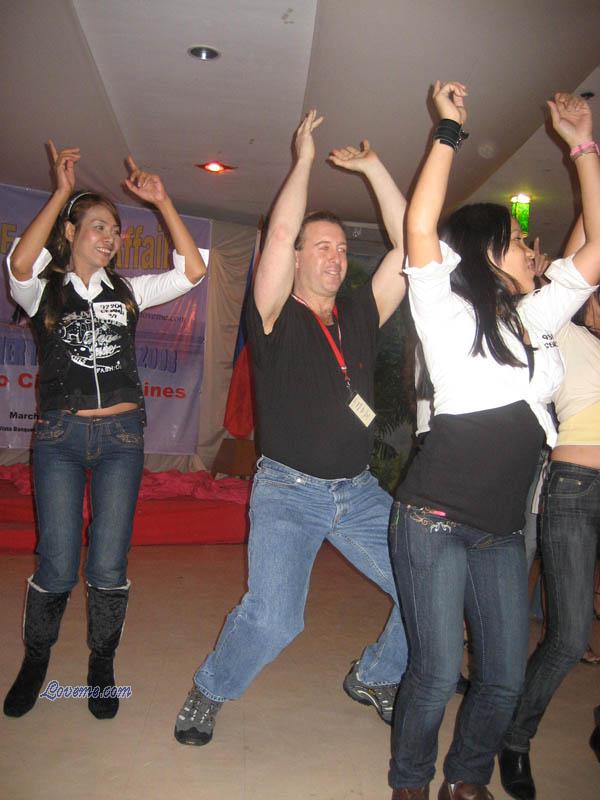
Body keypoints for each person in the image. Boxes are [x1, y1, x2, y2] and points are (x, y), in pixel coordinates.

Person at [388, 84, 600, 800]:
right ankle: (410, 784)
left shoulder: (537, 318)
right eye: (518, 241)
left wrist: (583, 146)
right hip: (434, 518)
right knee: (435, 673)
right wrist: (449, 129)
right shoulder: (445, 310)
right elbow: (421, 224)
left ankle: (466, 782)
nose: (534, 251)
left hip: (504, 529)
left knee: (504, 677)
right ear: (485, 252)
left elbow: (597, 249)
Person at [174, 110, 409, 746]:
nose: (335, 256)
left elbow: (410, 246)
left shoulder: (361, 312)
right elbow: (278, 233)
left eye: (341, 247)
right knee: (276, 618)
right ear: (298, 258)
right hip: (289, 491)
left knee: (431, 587)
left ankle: (376, 675)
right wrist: (303, 160)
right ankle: (211, 688)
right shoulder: (274, 313)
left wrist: (375, 170)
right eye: (321, 246)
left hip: (358, 490)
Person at [3, 142, 206, 720]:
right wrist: (62, 192)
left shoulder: (130, 292)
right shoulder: (42, 289)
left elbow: (193, 271)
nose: (110, 237)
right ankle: (36, 661)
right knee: (57, 562)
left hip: (121, 441)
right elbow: (20, 264)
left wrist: (163, 202)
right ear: (71, 233)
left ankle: (101, 665)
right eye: (98, 226)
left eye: (115, 229)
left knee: (109, 564)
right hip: (59, 440)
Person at [500, 217, 600, 800]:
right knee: (567, 636)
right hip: (576, 487)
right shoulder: (548, 321)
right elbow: (590, 238)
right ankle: (515, 738)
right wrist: (588, 165)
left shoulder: (587, 336)